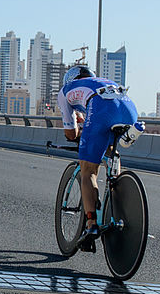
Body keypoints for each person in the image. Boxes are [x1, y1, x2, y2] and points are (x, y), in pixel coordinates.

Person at [57, 64, 144, 250]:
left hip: (101, 109)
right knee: (111, 150)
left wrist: (81, 132)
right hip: (129, 109)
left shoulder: (65, 91)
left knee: (88, 170)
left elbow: (70, 133)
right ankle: (117, 188)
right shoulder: (101, 82)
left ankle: (91, 225)